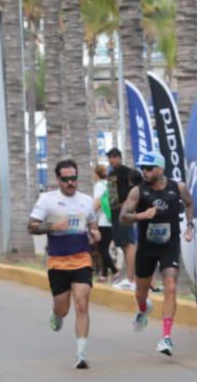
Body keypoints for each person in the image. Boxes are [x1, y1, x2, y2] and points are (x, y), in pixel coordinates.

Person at [119, 151, 194, 356]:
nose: (144, 171)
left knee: (170, 286)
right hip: (146, 247)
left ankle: (166, 338)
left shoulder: (177, 188)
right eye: (142, 168)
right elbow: (123, 217)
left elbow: (189, 203)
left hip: (169, 245)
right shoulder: (138, 191)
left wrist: (189, 225)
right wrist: (142, 215)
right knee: (140, 294)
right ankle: (143, 309)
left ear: (160, 169)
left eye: (149, 168)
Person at [30, 158, 100, 369]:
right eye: (66, 179)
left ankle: (81, 354)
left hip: (81, 259)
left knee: (82, 304)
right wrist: (51, 226)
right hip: (58, 263)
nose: (70, 182)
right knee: (63, 309)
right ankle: (56, 313)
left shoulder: (86, 200)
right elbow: (31, 226)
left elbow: (93, 225)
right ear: (58, 179)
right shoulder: (47, 200)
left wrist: (96, 233)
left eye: (73, 178)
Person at [106, 148, 143, 288]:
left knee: (130, 245)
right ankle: (130, 278)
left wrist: (127, 205)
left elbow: (138, 186)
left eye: (114, 156)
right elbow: (111, 197)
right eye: (109, 157)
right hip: (115, 215)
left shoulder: (127, 171)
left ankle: (130, 279)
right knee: (124, 245)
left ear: (120, 157)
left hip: (125, 213)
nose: (112, 159)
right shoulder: (110, 174)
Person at [91, 163, 118, 282]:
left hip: (103, 221)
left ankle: (115, 271)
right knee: (105, 248)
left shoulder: (99, 185)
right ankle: (104, 275)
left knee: (102, 249)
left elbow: (96, 204)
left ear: (96, 174)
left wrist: (89, 215)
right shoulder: (110, 184)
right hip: (112, 220)